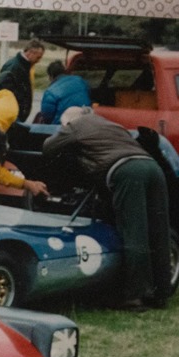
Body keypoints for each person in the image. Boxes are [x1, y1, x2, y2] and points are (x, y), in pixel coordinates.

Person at [42, 107, 170, 310]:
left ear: (68, 122)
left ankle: (135, 297)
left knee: (134, 233)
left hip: (127, 172)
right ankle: (161, 292)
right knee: (159, 232)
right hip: (152, 168)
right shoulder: (110, 124)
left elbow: (48, 147)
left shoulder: (75, 125)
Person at [0, 39, 45, 123]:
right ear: (30, 52)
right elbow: (5, 91)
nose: (39, 61)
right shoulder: (15, 67)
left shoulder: (23, 66)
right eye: (38, 57)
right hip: (13, 115)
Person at [38, 60, 91, 125]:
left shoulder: (50, 92)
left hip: (63, 126)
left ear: (51, 76)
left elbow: (47, 116)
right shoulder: (80, 80)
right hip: (85, 122)